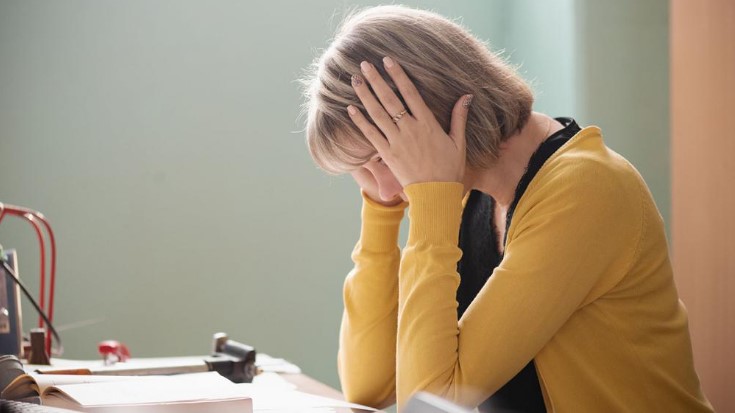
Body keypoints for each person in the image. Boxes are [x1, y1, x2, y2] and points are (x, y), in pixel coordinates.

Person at [300, 5, 713, 413]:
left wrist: (430, 202)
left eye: (383, 158)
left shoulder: (584, 189)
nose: (390, 187)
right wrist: (380, 209)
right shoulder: (463, 191)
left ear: (434, 111)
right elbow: (369, 387)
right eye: (363, 171)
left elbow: (427, 403)